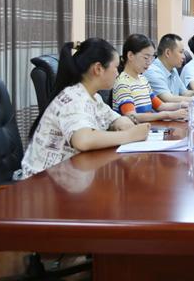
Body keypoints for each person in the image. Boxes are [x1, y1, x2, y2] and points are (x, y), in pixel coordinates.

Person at [19, 38, 150, 179]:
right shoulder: (73, 98)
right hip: (41, 183)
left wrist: (122, 123)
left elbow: (116, 119)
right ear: (98, 69)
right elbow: (83, 140)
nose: (117, 74)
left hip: (68, 177)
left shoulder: (94, 97)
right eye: (115, 68)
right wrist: (130, 135)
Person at [113, 34, 191, 122]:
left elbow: (160, 106)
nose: (149, 62)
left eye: (151, 58)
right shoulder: (123, 83)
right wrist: (168, 115)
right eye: (146, 57)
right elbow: (132, 116)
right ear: (130, 55)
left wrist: (182, 105)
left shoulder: (142, 79)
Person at [143, 34, 194, 103]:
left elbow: (185, 93)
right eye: (181, 52)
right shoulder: (153, 71)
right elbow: (169, 99)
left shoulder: (173, 69)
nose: (184, 56)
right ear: (168, 53)